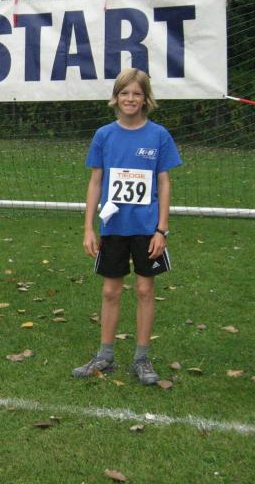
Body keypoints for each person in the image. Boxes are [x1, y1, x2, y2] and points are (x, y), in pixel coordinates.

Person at [73, 68, 181, 385]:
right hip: (113, 227)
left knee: (145, 290)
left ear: (146, 98)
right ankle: (104, 356)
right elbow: (95, 182)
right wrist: (88, 228)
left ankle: (141, 358)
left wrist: (161, 229)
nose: (130, 99)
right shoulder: (104, 135)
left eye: (136, 93)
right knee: (110, 290)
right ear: (116, 97)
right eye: (124, 93)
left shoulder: (158, 135)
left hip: (147, 229)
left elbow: (164, 182)